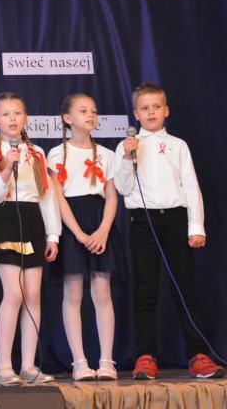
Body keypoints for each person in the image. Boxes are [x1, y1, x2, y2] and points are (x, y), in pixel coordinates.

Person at [114, 82, 224, 380]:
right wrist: (126, 158)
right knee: (145, 289)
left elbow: (191, 186)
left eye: (156, 107)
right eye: (144, 108)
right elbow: (123, 187)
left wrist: (196, 226)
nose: (151, 112)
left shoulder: (179, 145)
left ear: (166, 111)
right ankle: (146, 356)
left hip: (175, 219)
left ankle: (198, 354)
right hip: (143, 221)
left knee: (185, 288)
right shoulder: (126, 146)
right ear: (136, 113)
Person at [0, 92, 60, 386]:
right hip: (5, 219)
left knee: (33, 294)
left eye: (17, 113)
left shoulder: (36, 152)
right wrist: (4, 171)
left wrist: (53, 234)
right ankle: (3, 366)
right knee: (14, 294)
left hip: (32, 219)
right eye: (5, 114)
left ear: (25, 118)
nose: (12, 119)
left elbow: (46, 196)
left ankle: (28, 365)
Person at [47, 93, 125, 381]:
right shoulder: (56, 154)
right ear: (68, 118)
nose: (90, 115)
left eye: (93, 111)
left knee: (102, 292)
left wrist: (103, 230)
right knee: (73, 294)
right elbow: (57, 198)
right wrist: (78, 233)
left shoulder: (107, 155)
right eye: (83, 111)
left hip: (99, 221)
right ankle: (79, 362)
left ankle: (106, 361)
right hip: (71, 224)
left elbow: (112, 196)